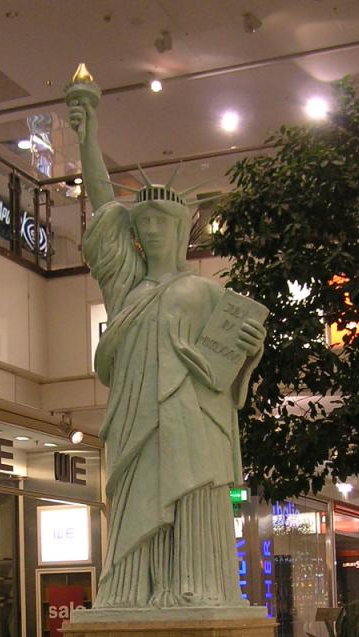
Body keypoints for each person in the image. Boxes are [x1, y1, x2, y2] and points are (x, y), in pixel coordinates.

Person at [68, 89, 266, 609]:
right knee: (137, 502)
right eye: (145, 223)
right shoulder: (128, 288)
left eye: (163, 222)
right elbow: (104, 207)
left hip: (192, 421)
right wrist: (88, 137)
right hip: (136, 420)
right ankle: (131, 591)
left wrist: (250, 353)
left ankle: (195, 586)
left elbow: (230, 363)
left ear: (181, 231)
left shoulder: (207, 292)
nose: (152, 230)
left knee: (193, 499)